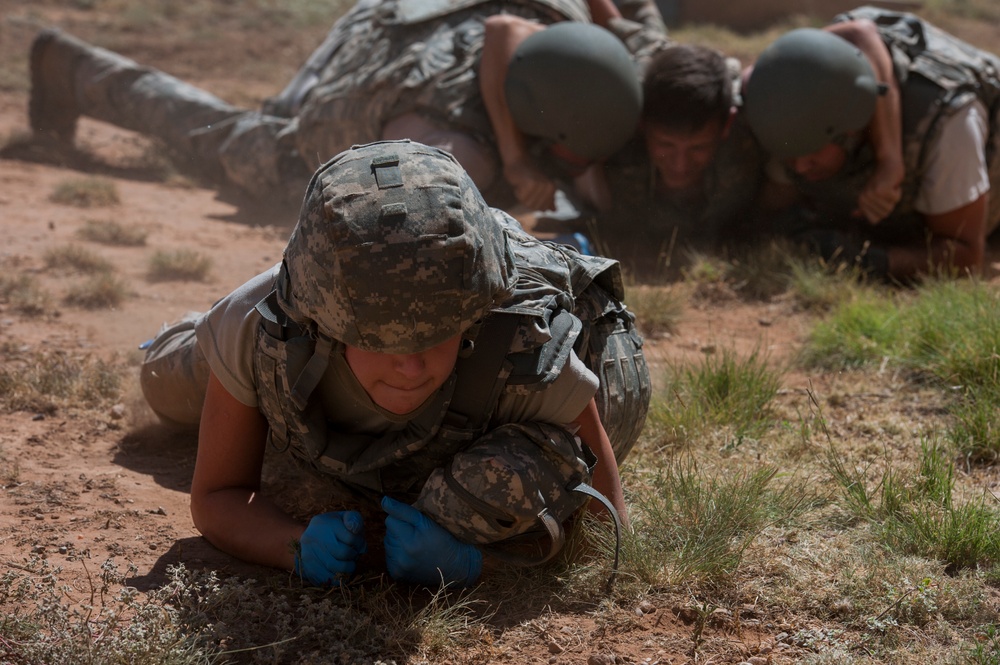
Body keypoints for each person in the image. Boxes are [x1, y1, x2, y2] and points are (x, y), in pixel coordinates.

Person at [138, 139, 651, 588]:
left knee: (481, 491)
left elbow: (610, 528)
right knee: (168, 383)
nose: (411, 366)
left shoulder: (521, 342)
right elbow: (217, 496)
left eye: (436, 337)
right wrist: (289, 545)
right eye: (382, 342)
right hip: (263, 335)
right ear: (328, 326)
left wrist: (477, 564)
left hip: (519, 384)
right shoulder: (258, 321)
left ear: (470, 321)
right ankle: (185, 337)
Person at [28, 0, 657, 213]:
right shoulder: (460, 147)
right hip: (365, 102)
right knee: (229, 143)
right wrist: (517, 168)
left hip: (405, 34)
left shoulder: (578, 60)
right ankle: (76, 72)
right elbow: (393, 213)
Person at [743, 7, 1000, 281]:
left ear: (852, 130)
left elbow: (965, 256)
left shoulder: (947, 125)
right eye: (788, 156)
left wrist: (868, 260)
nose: (800, 167)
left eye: (812, 154)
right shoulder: (790, 100)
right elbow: (772, 206)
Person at [593, 43, 766, 273]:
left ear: (727, 125)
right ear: (642, 124)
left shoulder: (752, 137)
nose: (680, 164)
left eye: (698, 147)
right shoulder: (613, 142)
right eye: (665, 145)